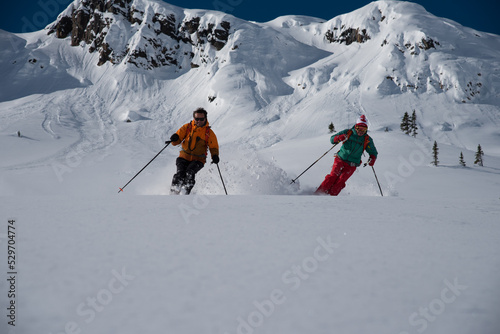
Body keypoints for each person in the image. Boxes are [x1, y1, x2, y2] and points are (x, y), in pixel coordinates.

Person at [315, 115, 378, 196]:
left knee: (340, 181)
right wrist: (339, 137)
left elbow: (373, 151)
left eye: (364, 129)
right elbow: (332, 139)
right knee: (333, 177)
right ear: (356, 126)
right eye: (359, 128)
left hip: (352, 165)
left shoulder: (367, 139)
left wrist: (372, 158)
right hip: (340, 159)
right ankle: (318, 195)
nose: (361, 131)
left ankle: (330, 198)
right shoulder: (348, 132)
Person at [167, 108, 219, 195]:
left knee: (190, 173)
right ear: (193, 118)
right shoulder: (187, 127)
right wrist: (174, 138)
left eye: (201, 119)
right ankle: (173, 194)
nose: (199, 121)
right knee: (180, 174)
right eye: (197, 119)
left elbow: (213, 147)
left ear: (205, 119)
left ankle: (184, 194)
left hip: (198, 160)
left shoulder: (209, 133)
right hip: (183, 157)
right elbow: (177, 139)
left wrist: (215, 156)